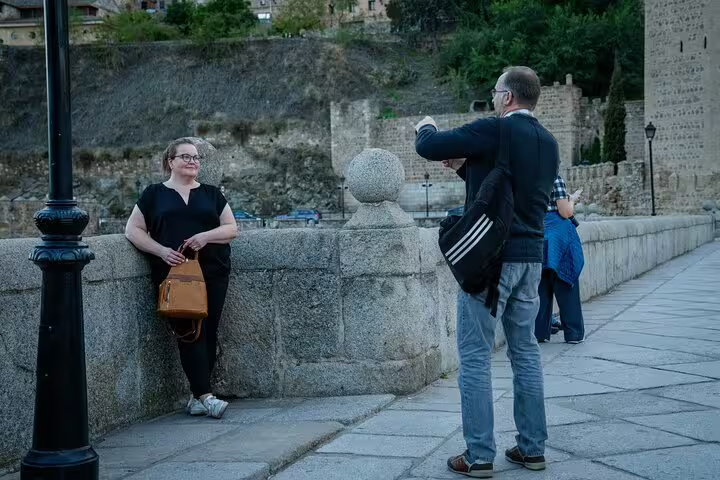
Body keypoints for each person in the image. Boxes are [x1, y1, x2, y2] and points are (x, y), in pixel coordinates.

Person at [415, 66, 558, 478]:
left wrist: (425, 126)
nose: (493, 99)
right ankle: (532, 449)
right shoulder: (549, 142)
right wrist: (466, 168)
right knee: (526, 352)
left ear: (509, 97)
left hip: (490, 260)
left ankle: (479, 456)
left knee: (475, 356)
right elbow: (513, 189)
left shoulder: (496, 129)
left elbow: (430, 146)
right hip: (531, 256)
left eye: (496, 92)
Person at [125, 139, 238, 419]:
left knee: (208, 331)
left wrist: (205, 236)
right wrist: (161, 251)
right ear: (170, 162)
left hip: (213, 271)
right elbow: (133, 230)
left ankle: (197, 397)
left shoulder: (212, 195)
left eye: (196, 157)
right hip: (174, 274)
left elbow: (232, 228)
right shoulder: (153, 195)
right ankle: (206, 396)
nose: (192, 161)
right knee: (189, 331)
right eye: (185, 157)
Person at [535, 176, 585, 344]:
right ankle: (573, 333)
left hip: (537, 233)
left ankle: (539, 331)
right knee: (565, 283)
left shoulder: (525, 174)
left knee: (540, 285)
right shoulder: (554, 178)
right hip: (558, 235)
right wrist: (572, 199)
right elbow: (565, 212)